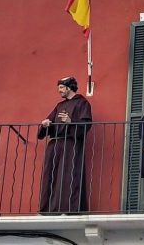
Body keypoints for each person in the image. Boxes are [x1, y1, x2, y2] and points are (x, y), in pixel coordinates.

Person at [38, 77, 92, 214]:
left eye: (61, 88)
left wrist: (70, 121)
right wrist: (46, 124)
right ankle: (50, 209)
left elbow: (86, 125)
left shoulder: (82, 103)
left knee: (69, 176)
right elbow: (50, 120)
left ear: (69, 88)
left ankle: (70, 209)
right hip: (55, 145)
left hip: (71, 144)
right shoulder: (59, 106)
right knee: (51, 176)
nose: (59, 91)